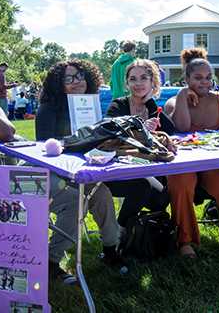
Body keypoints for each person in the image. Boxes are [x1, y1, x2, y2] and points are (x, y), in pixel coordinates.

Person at [36, 59, 128, 283]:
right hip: (49, 171)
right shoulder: (49, 108)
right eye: (69, 78)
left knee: (103, 194)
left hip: (80, 171)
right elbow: (43, 147)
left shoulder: (91, 105)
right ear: (60, 84)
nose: (76, 81)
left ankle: (109, 250)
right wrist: (75, 142)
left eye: (80, 76)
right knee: (75, 201)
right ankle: (50, 262)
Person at [164, 47, 219, 262]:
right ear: (186, 79)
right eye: (197, 78)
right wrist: (181, 96)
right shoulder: (173, 103)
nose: (204, 82)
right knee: (181, 183)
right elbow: (182, 128)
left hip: (214, 164)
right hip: (184, 165)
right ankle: (184, 241)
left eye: (208, 78)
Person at [105, 59, 176, 240]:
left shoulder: (152, 107)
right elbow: (108, 131)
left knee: (162, 199)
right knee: (142, 186)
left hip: (147, 166)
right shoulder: (118, 105)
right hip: (118, 168)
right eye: (133, 79)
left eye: (144, 78)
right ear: (127, 83)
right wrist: (141, 128)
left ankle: (143, 231)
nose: (138, 83)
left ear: (153, 82)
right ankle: (119, 234)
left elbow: (170, 129)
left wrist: (150, 102)